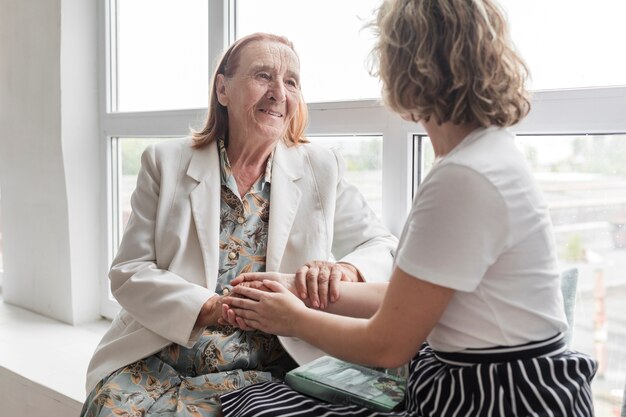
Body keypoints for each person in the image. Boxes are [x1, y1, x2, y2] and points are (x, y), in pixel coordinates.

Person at [219, 1, 597, 416]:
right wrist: (298, 288)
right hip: (497, 385)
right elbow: (410, 298)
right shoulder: (480, 158)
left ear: (406, 67)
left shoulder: (464, 178)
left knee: (254, 405)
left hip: (501, 398)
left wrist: (291, 319)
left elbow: (387, 344)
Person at [80, 32, 397, 417]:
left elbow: (381, 245)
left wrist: (343, 269)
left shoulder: (320, 167)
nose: (279, 92)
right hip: (160, 354)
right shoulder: (164, 162)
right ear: (223, 89)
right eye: (263, 75)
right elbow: (129, 271)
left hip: (273, 368)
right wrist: (208, 307)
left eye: (291, 82)